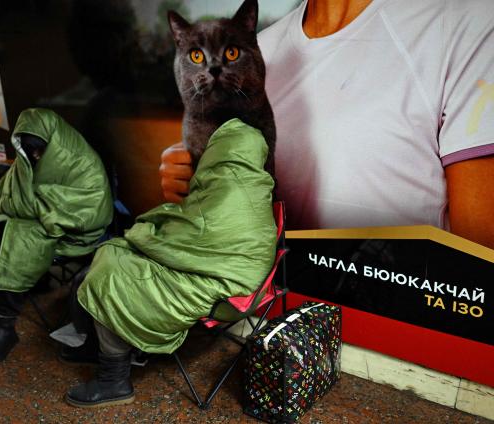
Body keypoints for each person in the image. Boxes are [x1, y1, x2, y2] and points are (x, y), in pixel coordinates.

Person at [160, 0, 494, 250]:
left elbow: (479, 259)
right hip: (277, 320)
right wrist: (196, 175)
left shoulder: (464, 24)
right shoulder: (262, 52)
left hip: (401, 327)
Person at [65, 119, 277, 408]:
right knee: (115, 257)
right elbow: (194, 233)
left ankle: (113, 381)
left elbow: (180, 239)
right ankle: (99, 347)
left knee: (110, 273)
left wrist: (143, 231)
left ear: (219, 151)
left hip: (219, 290)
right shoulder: (252, 186)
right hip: (235, 280)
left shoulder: (226, 192)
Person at [0, 108, 113, 364]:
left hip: (71, 233)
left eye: (40, 150)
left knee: (18, 242)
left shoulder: (84, 163)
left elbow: (93, 211)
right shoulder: (28, 158)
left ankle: (5, 328)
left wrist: (33, 206)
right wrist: (38, 206)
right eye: (29, 152)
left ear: (54, 142)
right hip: (34, 223)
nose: (35, 156)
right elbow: (1, 200)